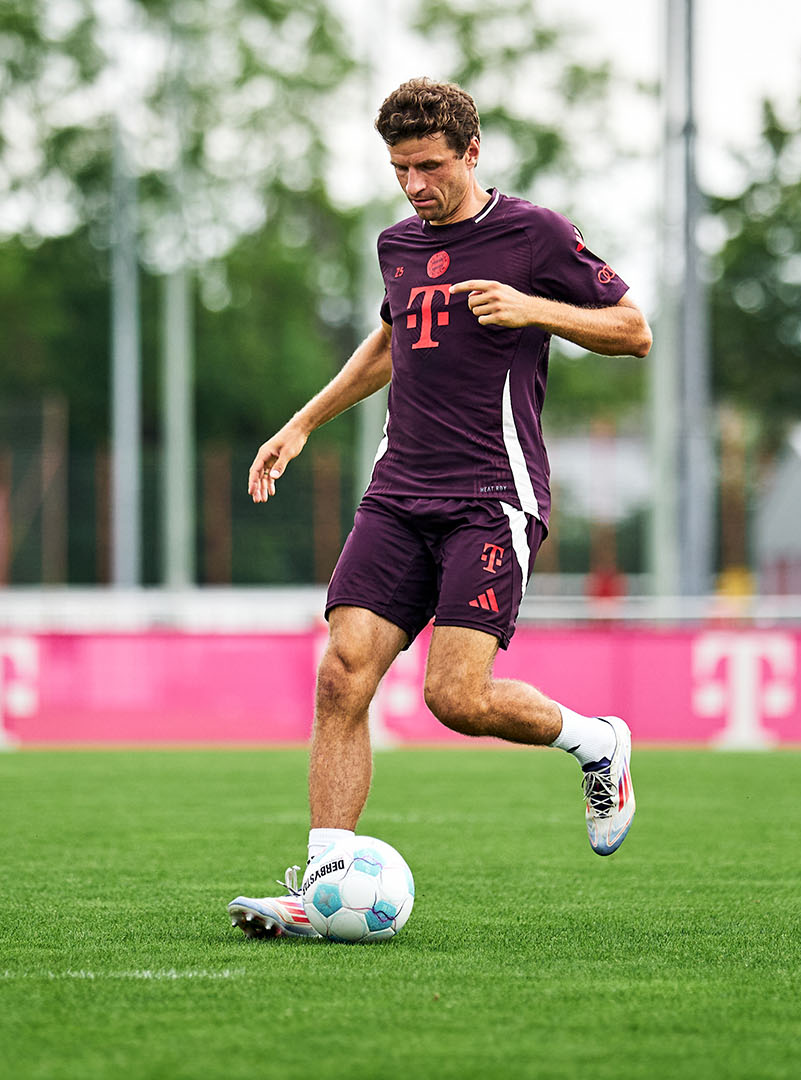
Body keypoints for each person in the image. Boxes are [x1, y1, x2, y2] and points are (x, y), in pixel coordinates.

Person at [228, 78, 652, 938]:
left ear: (472, 152)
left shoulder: (531, 233)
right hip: (398, 494)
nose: (415, 186)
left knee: (456, 699)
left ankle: (597, 742)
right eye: (398, 169)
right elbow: (393, 337)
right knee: (341, 674)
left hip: (493, 499)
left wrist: (534, 308)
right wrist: (304, 422)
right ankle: (322, 886)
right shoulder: (398, 245)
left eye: (428, 166)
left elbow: (633, 327)